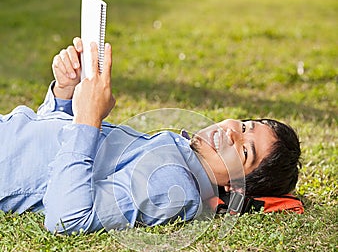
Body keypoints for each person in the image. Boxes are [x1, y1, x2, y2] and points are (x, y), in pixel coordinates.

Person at [0, 38, 301, 234]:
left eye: (244, 152)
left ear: (235, 187)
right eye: (245, 125)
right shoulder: (180, 155)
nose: (232, 132)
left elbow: (67, 217)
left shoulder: (172, 182)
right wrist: (65, 94)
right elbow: (50, 154)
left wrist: (88, 119)